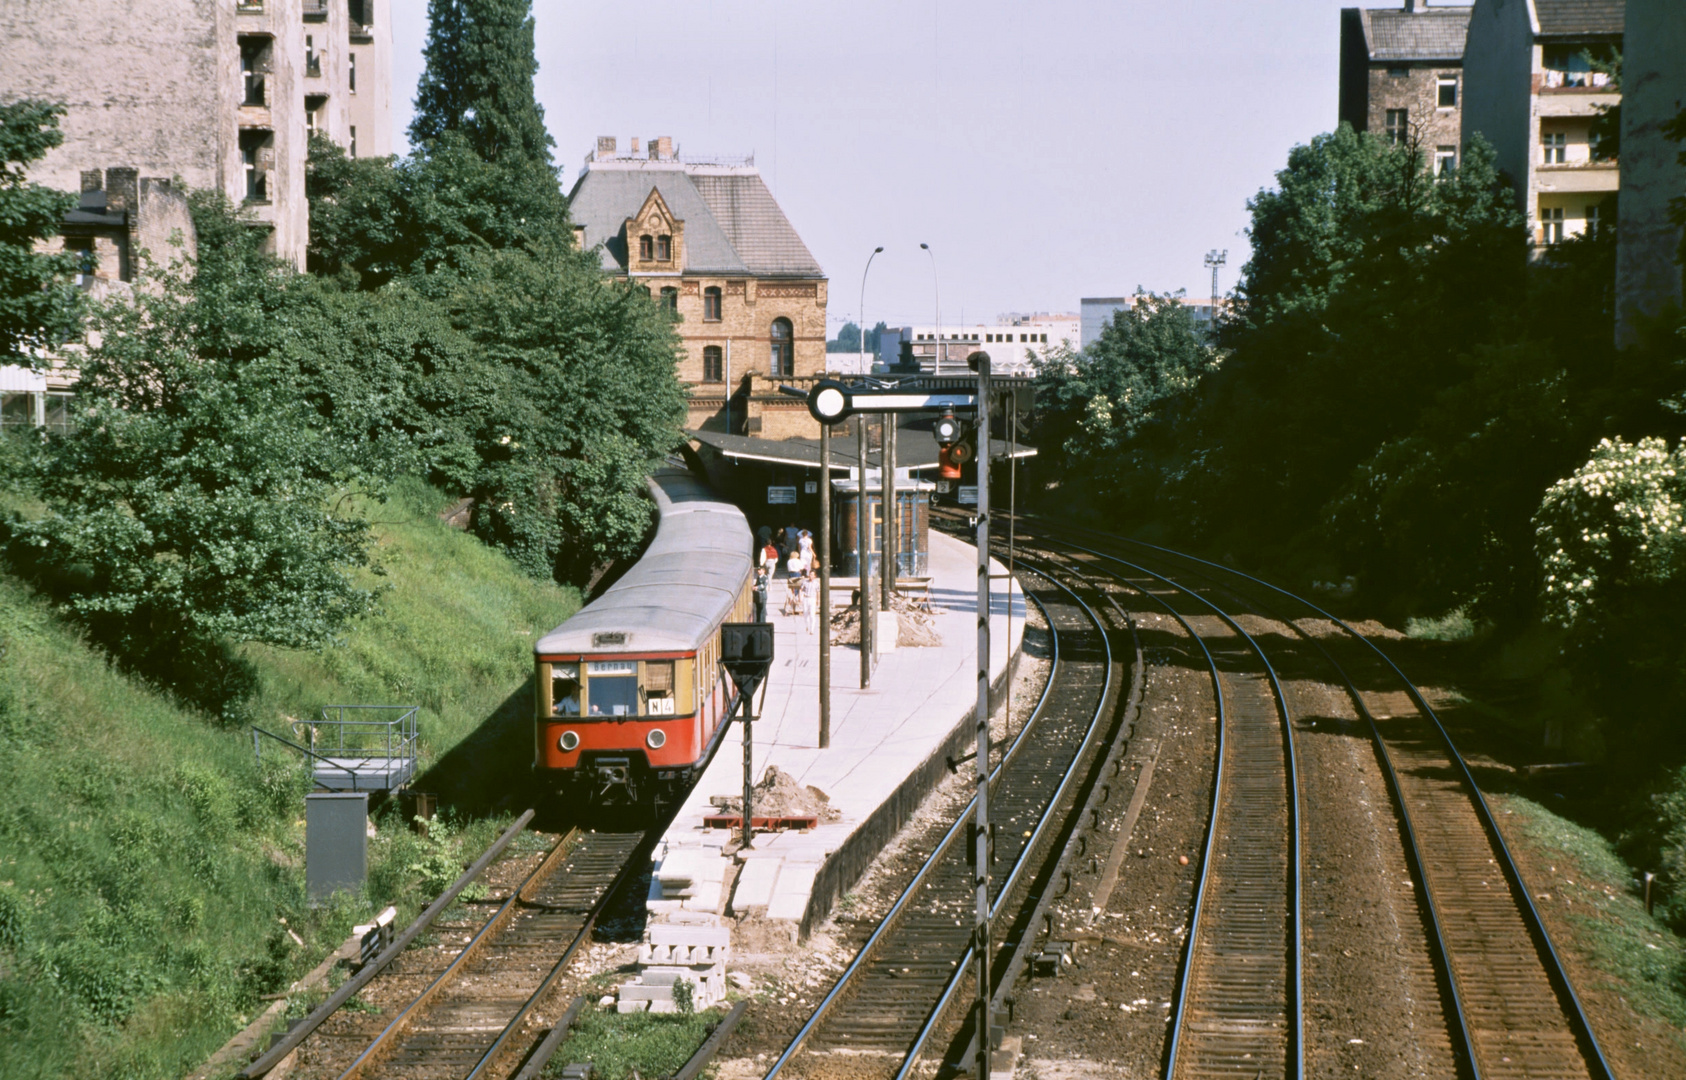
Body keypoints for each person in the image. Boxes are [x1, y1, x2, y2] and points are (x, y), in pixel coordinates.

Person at [801, 568, 819, 635]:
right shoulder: (805, 582)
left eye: (812, 575)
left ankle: (812, 629)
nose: (810, 576)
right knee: (805, 614)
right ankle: (807, 626)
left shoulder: (816, 583)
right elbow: (801, 589)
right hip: (806, 598)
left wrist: (818, 600)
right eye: (810, 574)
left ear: (814, 576)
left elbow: (818, 592)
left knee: (812, 614)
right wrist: (800, 597)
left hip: (812, 598)